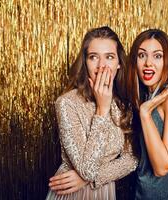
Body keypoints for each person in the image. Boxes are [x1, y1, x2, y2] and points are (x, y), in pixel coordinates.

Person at [45, 26, 138, 200]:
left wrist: (92, 179)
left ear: (119, 63)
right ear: (85, 62)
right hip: (70, 192)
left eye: (109, 57)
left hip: (103, 191)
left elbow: (131, 160)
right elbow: (86, 169)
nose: (102, 66)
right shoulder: (67, 103)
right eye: (93, 57)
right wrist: (102, 110)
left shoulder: (125, 104)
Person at [126, 29, 168, 200]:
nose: (148, 63)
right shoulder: (144, 97)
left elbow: (162, 167)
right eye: (142, 55)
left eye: (157, 56)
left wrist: (145, 113)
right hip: (144, 194)